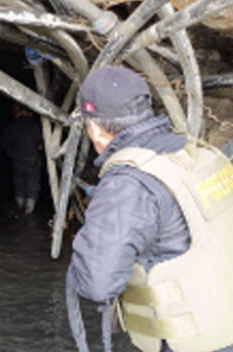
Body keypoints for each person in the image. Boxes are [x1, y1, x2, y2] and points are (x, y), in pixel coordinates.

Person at [66, 65, 233, 352]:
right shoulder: (192, 151)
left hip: (190, 337)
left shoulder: (127, 183)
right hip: (223, 316)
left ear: (94, 129)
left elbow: (98, 282)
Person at [1, 103, 43, 214]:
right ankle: (30, 208)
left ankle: (20, 205)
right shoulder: (35, 127)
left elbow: (4, 145)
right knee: (32, 183)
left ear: (17, 112)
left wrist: (12, 154)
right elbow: (41, 145)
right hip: (33, 159)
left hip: (17, 160)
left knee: (19, 183)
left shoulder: (11, 128)